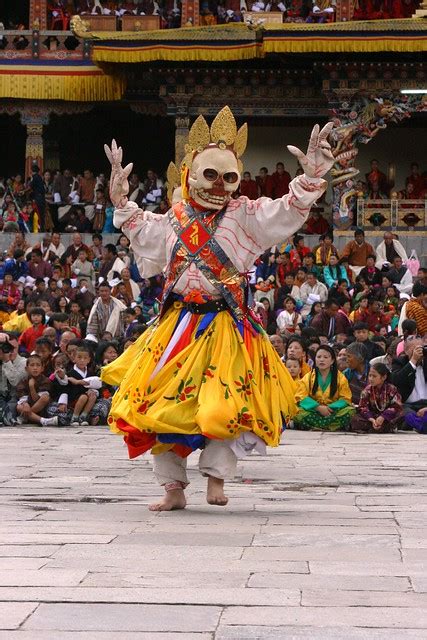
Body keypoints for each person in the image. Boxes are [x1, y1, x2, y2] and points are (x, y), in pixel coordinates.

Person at [102, 110, 334, 511]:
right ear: (190, 174)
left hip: (226, 324)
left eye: (229, 178)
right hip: (177, 325)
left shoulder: (245, 215)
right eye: (211, 176)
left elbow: (284, 211)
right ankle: (173, 487)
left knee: (224, 403)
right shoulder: (173, 220)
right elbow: (139, 227)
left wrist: (310, 179)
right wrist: (120, 200)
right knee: (159, 403)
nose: (220, 187)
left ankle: (216, 478)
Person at [294, 345, 354, 431]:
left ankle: (316, 426)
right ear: (315, 359)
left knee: (350, 411)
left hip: (332, 411)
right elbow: (300, 396)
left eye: (325, 357)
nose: (321, 360)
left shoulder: (340, 377)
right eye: (319, 357)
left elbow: (345, 398)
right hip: (314, 411)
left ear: (332, 360)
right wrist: (318, 407)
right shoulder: (308, 377)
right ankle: (330, 426)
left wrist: (329, 408)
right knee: (297, 412)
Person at [350, 362, 403, 433]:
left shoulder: (391, 389)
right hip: (372, 417)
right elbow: (362, 406)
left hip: (386, 418)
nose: (371, 379)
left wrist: (383, 417)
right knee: (354, 418)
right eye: (369, 376)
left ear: (384, 377)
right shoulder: (367, 390)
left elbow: (397, 406)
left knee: (402, 414)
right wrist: (371, 419)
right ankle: (380, 427)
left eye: (374, 376)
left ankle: (378, 427)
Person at [391, 335, 427, 433]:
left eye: (421, 348)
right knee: (406, 414)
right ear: (406, 351)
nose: (419, 351)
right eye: (415, 349)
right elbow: (396, 380)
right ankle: (421, 425)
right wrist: (413, 362)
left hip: (426, 405)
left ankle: (418, 424)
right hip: (407, 405)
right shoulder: (399, 362)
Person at [16, 355, 58, 426]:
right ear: (26, 369)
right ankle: (43, 421)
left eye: (38, 365)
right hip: (28, 406)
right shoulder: (23, 381)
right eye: (32, 365)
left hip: (42, 408)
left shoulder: (46, 381)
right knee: (19, 407)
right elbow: (22, 396)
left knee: (45, 397)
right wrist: (25, 404)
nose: (35, 368)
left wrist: (31, 387)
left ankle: (25, 417)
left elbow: (36, 399)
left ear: (42, 368)